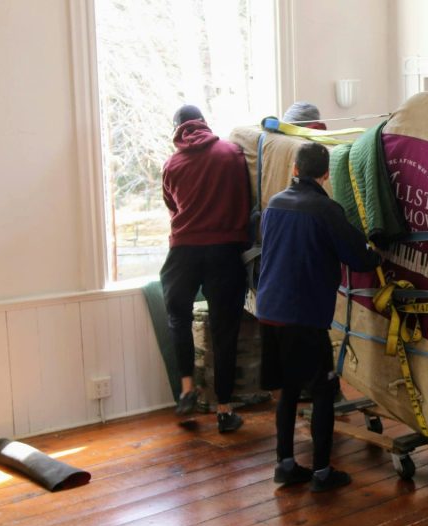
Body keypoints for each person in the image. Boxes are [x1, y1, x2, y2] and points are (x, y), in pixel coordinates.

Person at [257, 142, 381, 492]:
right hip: (305, 316)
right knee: (325, 390)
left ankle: (285, 465)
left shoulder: (275, 205)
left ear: (295, 168)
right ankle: (323, 472)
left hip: (269, 312)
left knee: (289, 390)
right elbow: (358, 259)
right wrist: (378, 253)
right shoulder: (327, 210)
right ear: (326, 174)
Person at [161, 104, 249, 434]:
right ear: (203, 123)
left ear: (178, 129)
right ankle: (224, 409)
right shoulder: (232, 153)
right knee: (225, 329)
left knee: (177, 317)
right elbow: (246, 195)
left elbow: (172, 208)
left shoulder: (172, 164)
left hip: (184, 250)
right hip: (225, 251)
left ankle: (186, 388)